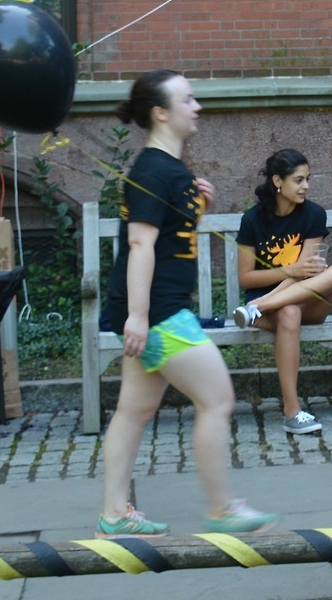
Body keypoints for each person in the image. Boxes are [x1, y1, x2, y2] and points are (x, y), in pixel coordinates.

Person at [98, 70, 276, 538]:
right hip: (159, 314)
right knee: (217, 400)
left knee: (133, 411)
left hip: (154, 310)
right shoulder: (155, 170)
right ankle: (221, 508)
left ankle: (114, 514)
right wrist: (138, 317)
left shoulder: (168, 171)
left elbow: (168, 232)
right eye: (187, 100)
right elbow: (139, 245)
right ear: (161, 112)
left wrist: (196, 203)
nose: (197, 107)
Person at [231, 149, 332, 435]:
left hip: (304, 302)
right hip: (273, 311)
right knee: (289, 312)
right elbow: (246, 278)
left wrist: (269, 298)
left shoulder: (313, 215)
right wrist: (289, 271)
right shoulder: (252, 220)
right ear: (277, 181)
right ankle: (292, 410)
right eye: (298, 180)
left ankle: (257, 307)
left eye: (307, 179)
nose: (305, 186)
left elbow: (306, 275)